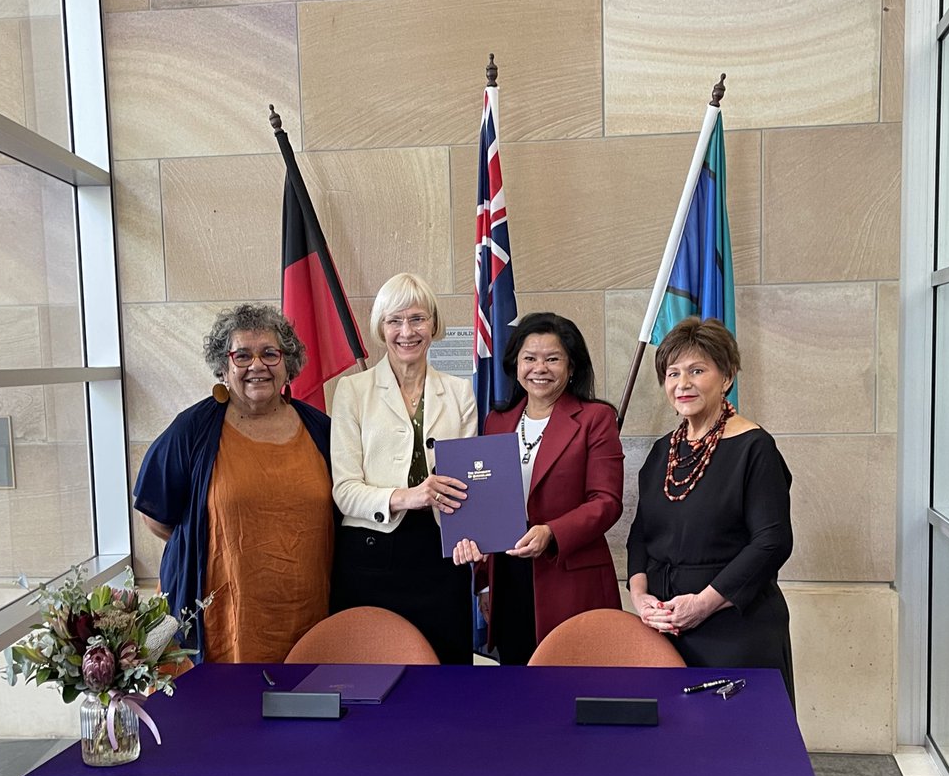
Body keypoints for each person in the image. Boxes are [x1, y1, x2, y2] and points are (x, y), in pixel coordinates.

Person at [133, 303, 334, 664]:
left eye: (270, 353)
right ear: (224, 369)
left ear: (288, 365)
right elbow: (156, 516)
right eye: (242, 355)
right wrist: (205, 541)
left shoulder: (322, 430)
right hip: (222, 623)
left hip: (309, 617)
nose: (257, 365)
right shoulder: (192, 430)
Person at [626, 316, 795, 703]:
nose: (682, 384)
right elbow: (641, 533)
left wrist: (703, 604)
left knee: (739, 752)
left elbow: (772, 541)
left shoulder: (755, 448)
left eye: (697, 370)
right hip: (665, 630)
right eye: (672, 373)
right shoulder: (662, 451)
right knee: (675, 753)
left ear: (727, 377)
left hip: (736, 629)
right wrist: (640, 598)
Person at [453, 312, 624, 664]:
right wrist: (485, 582)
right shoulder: (497, 421)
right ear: (515, 365)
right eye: (529, 358)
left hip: (569, 575)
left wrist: (552, 532)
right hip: (510, 577)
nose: (539, 368)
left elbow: (606, 501)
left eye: (552, 359)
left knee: (575, 682)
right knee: (519, 688)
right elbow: (487, 506)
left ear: (572, 366)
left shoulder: (596, 418)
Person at [330, 272, 477, 663]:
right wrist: (405, 497)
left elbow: (469, 485)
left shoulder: (460, 392)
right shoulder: (352, 391)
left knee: (445, 676)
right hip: (371, 557)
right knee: (369, 674)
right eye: (394, 320)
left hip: (441, 556)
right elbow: (344, 491)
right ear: (381, 327)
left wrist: (473, 533)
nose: (406, 331)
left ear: (433, 324)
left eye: (417, 319)